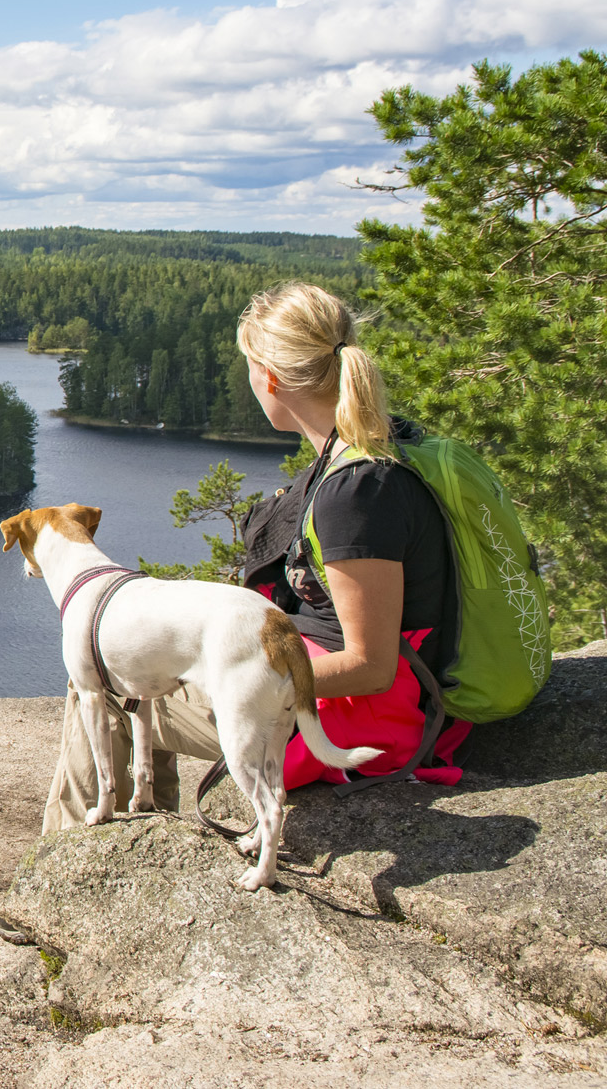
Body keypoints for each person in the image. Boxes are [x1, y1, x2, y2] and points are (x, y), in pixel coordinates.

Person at [38, 281, 465, 837]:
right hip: (340, 691)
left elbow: (372, 666)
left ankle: (70, 860)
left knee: (109, 683)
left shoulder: (357, 493)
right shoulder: (370, 452)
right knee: (151, 657)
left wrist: (241, 676)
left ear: (269, 377)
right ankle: (147, 836)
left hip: (358, 720)